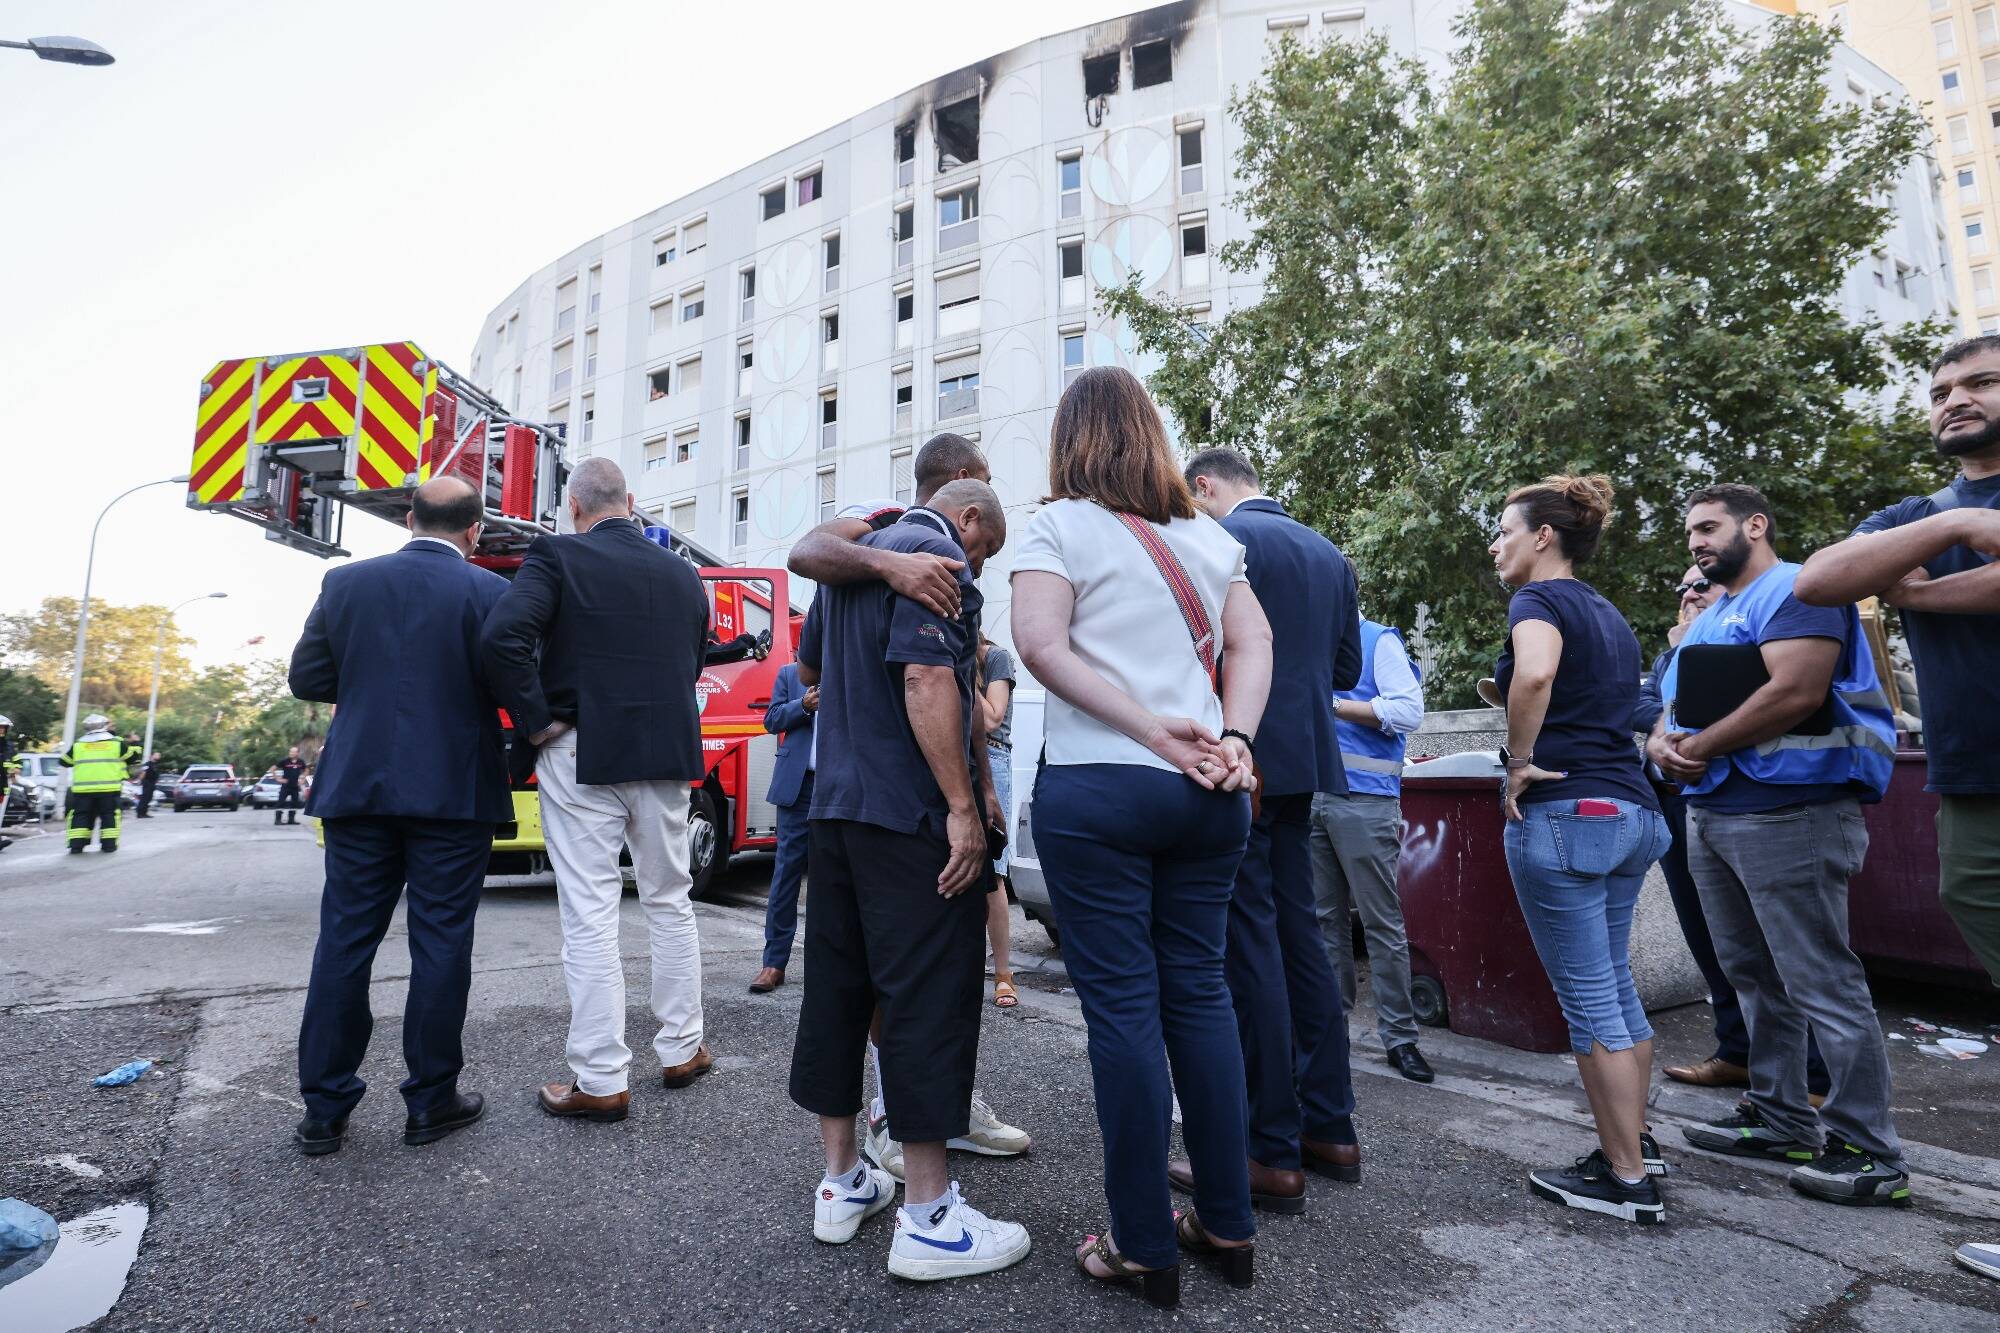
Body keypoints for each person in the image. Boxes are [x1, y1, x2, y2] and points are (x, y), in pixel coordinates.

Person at [1011, 372, 1267, 1307]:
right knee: (1199, 995)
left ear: (1070, 439)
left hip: (1104, 790)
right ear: (1153, 437)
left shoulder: (1057, 526)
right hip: (1210, 794)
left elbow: (1040, 646)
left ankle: (1141, 1244)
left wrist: (1149, 732)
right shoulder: (1210, 535)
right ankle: (1228, 1223)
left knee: (1122, 1011)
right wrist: (1232, 738)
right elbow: (1254, 645)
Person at [786, 478, 1031, 1282]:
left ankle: (842, 1179)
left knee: (840, 990)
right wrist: (964, 805)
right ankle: (928, 1217)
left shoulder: (853, 563)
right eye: (982, 547)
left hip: (836, 810)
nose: (976, 566)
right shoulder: (933, 556)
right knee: (926, 997)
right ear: (967, 517)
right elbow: (928, 680)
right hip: (905, 816)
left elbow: (809, 664)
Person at [1796, 335, 2000, 1270]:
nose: (1954, 400)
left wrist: (1918, 588)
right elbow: (1824, 579)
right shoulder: (1919, 509)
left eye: (1979, 383)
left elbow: (1894, 586)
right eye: (1941, 389)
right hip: (1972, 773)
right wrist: (1953, 533)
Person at [1652, 484, 1908, 1208]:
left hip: (1792, 810)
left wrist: (1694, 745)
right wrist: (1659, 745)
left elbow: (1795, 691)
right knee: (1751, 974)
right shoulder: (1712, 615)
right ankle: (1782, 1117)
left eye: (1709, 527)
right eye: (1691, 533)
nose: (1697, 543)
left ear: (1754, 524)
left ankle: (1870, 1148)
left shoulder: (1800, 588)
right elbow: (1669, 707)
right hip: (1715, 810)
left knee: (1818, 976)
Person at [482, 457, 714, 1124]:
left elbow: (503, 637)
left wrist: (535, 718)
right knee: (670, 899)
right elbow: (692, 658)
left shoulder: (557, 555)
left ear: (577, 509)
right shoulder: (683, 573)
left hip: (581, 744)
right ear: (631, 503)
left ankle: (602, 1076)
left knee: (590, 910)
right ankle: (682, 1048)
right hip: (666, 752)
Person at [288, 476, 507, 1155]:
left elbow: (307, 677)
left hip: (357, 786)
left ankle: (324, 1108)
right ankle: (431, 1100)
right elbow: (509, 683)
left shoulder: (345, 584)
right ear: (476, 529)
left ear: (409, 519)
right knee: (441, 941)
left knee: (345, 941)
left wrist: (367, 685)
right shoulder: (493, 594)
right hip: (453, 788)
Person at [1174, 446, 1363, 1216]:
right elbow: (1346, 670)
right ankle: (1331, 1126)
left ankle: (1268, 1148)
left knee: (1246, 949)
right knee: (1301, 940)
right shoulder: (1328, 553)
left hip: (1239, 757)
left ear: (1207, 486)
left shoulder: (1221, 543)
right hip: (1305, 762)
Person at [1489, 474, 1671, 1225]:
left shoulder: (1537, 599)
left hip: (1568, 814)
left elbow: (1534, 672)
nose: (1495, 543)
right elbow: (1600, 699)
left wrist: (1517, 756)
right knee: (1616, 987)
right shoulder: (1606, 611)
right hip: (1631, 810)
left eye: (1503, 528)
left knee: (1589, 998)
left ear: (1543, 536)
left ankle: (1627, 1180)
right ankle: (1636, 1146)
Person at [1640, 569, 1832, 1104]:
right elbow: (1645, 703)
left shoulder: (1767, 624)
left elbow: (1783, 696)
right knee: (1718, 943)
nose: (1689, 594)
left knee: (1788, 954)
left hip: (1761, 803)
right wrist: (1664, 732)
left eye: (1702, 584)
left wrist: (1690, 740)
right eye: (1681, 587)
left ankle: (1815, 1080)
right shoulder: (1675, 649)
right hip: (1684, 805)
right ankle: (1739, 1054)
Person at [1309, 613, 1431, 1084]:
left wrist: (1334, 705)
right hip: (1311, 797)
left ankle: (1400, 1039)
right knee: (1324, 923)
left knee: (1381, 924)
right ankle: (1330, 1032)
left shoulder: (1376, 639)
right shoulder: (1308, 638)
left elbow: (1408, 712)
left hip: (1364, 800)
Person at [753, 660, 815, 994]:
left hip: (837, 788)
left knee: (830, 880)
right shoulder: (790, 675)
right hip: (797, 787)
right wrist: (802, 705)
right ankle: (773, 963)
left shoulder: (849, 669)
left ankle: (824, 966)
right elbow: (771, 719)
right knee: (785, 876)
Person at [976, 635, 1019, 1008]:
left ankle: (1004, 974)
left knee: (993, 872)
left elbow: (992, 717)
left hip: (993, 757)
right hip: (953, 753)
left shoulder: (996, 658)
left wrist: (954, 670)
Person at [60, 715, 139, 854]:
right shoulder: (115, 743)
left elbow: (64, 762)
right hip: (108, 789)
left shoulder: (78, 745)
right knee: (109, 816)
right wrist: (136, 744)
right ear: (104, 726)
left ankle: (76, 846)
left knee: (80, 816)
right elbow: (132, 759)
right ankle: (108, 846)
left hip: (82, 790)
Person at [275, 745, 307, 827]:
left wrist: (303, 779)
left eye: (294, 752)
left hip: (295, 786)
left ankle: (291, 820)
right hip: (285, 786)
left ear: (297, 753)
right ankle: (278, 820)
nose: (292, 753)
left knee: (294, 803)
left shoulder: (300, 762)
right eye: (290, 751)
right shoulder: (285, 761)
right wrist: (278, 779)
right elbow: (273, 769)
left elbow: (306, 770)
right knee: (281, 802)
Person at [137, 751, 163, 819]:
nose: (158, 756)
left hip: (152, 783)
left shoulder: (156, 765)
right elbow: (143, 772)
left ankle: (144, 813)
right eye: (157, 755)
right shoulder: (147, 764)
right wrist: (140, 780)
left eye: (159, 755)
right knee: (144, 798)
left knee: (149, 798)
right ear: (152, 756)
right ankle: (140, 813)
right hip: (147, 782)